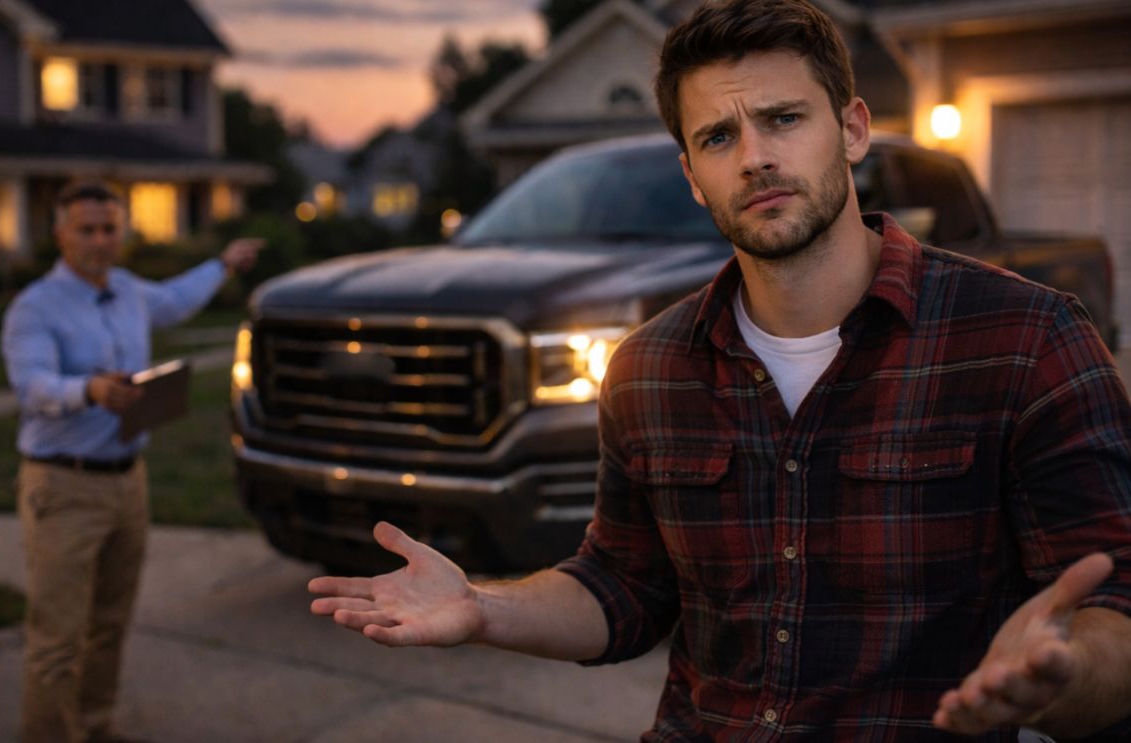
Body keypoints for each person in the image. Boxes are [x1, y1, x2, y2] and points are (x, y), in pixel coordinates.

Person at [308, 0, 1131, 740]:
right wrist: (480, 608)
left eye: (782, 119)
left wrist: (1057, 674)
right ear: (692, 177)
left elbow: (1113, 609)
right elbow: (622, 587)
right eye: (717, 136)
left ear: (850, 130)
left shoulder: (1025, 341)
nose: (753, 157)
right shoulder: (649, 369)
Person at [1, 179, 262, 743]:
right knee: (58, 640)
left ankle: (94, 727)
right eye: (86, 230)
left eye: (109, 229)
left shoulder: (127, 290)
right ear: (60, 234)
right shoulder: (35, 308)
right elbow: (31, 385)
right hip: (65, 487)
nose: (100, 241)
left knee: (110, 624)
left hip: (128, 483)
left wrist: (223, 264)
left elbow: (175, 299)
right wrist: (88, 390)